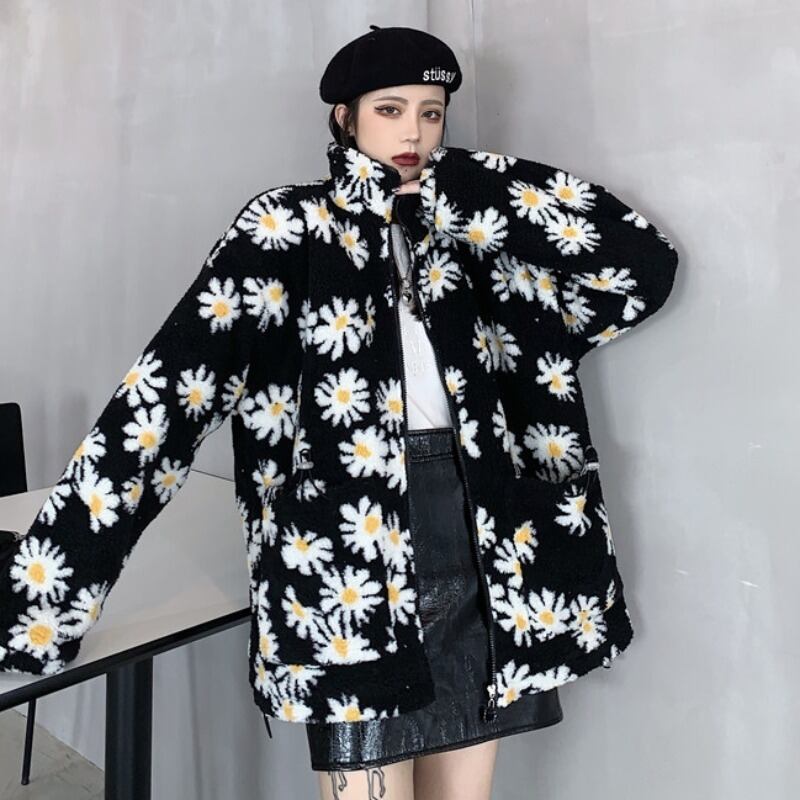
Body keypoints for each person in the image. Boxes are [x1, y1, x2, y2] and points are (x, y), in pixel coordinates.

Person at [0, 23, 679, 800]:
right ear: (344, 117)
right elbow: (159, 406)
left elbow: (642, 268)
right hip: (349, 563)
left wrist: (474, 189)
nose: (414, 132)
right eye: (390, 109)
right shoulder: (286, 230)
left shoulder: (474, 236)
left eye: (431, 112)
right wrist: (45, 597)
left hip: (489, 546)